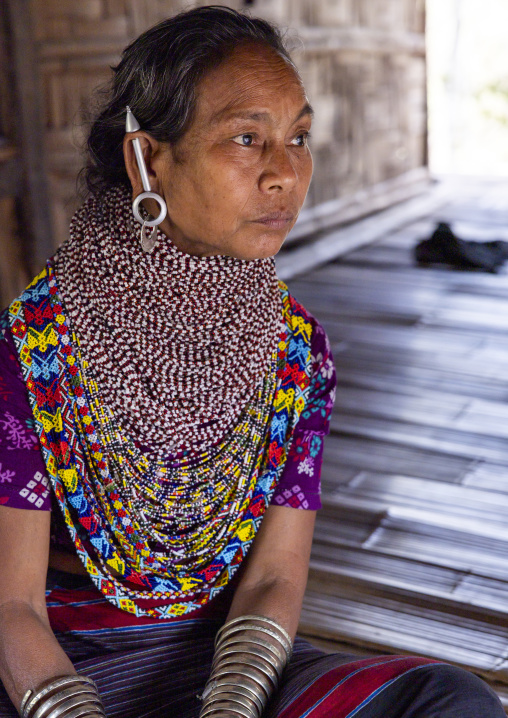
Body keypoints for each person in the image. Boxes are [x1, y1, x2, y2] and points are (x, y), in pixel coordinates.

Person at [0, 6, 503, 718]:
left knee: (448, 700)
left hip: (232, 667)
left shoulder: (294, 351)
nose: (285, 173)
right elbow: (11, 607)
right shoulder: (35, 351)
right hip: (63, 672)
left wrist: (232, 705)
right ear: (147, 158)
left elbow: (272, 579)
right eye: (247, 138)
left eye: (298, 136)